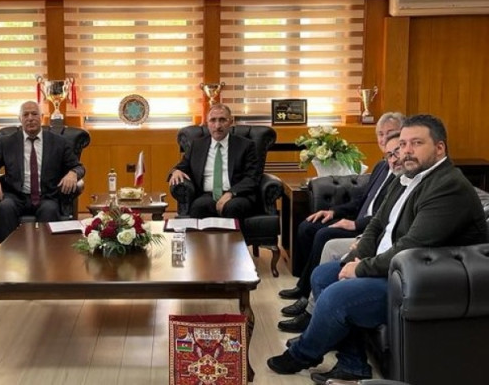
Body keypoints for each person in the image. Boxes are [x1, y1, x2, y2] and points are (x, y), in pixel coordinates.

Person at [267, 114, 487, 384]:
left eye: (416, 143)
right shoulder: (407, 177)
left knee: (337, 296)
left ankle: (302, 354)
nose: (406, 151)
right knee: (323, 275)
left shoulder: (448, 186)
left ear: (440, 148)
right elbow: (376, 224)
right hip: (394, 268)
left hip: (423, 281)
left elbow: (412, 246)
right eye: (403, 144)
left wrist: (360, 268)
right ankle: (352, 364)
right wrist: (355, 257)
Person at [278, 113, 403, 329]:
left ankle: (308, 297)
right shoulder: (382, 166)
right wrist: (333, 211)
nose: (384, 139)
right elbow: (361, 200)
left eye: (390, 134)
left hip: (367, 228)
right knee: (308, 226)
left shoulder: (403, 173)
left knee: (324, 235)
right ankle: (303, 285)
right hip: (358, 219)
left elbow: (388, 216)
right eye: (380, 134)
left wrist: (355, 225)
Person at [0, 101, 85, 240]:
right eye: (26, 115)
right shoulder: (7, 142)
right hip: (16, 196)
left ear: (41, 117)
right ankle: (8, 251)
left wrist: (73, 173)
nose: (30, 118)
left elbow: (78, 166)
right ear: (20, 119)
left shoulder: (58, 142)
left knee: (50, 210)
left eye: (34, 114)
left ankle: (46, 251)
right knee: (5, 206)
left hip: (46, 196)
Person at [168, 103, 259, 219]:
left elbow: (252, 177)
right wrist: (176, 171)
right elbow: (183, 166)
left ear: (231, 122)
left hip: (237, 195)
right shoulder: (197, 145)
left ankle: (232, 232)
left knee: (232, 207)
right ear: (207, 123)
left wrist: (231, 193)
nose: (217, 125)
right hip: (207, 195)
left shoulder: (246, 145)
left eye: (222, 120)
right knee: (199, 206)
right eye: (213, 120)